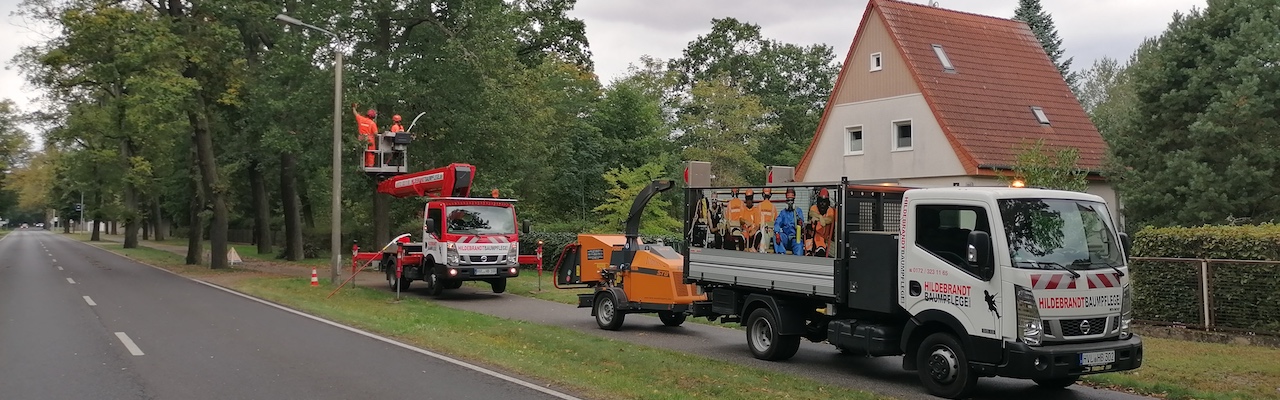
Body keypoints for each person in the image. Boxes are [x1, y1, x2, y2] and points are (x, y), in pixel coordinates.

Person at [773, 188, 804, 255]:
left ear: (794, 198)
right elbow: (777, 223)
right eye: (788, 199)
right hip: (785, 238)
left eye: (791, 200)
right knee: (776, 236)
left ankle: (797, 262)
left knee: (799, 245)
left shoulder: (798, 211)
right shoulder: (783, 213)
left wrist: (801, 224)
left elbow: (802, 225)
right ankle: (781, 255)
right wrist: (777, 232)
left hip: (795, 238)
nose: (790, 202)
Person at [808, 188, 837, 256]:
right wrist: (820, 217)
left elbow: (829, 219)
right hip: (816, 237)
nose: (822, 204)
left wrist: (820, 219)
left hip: (828, 238)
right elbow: (811, 213)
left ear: (828, 202)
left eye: (824, 201)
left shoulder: (830, 210)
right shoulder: (814, 207)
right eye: (820, 201)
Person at [756, 188, 777, 253]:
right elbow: (776, 222)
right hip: (770, 233)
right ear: (770, 195)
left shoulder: (759, 206)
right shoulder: (773, 207)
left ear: (763, 194)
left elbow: (756, 222)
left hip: (760, 232)